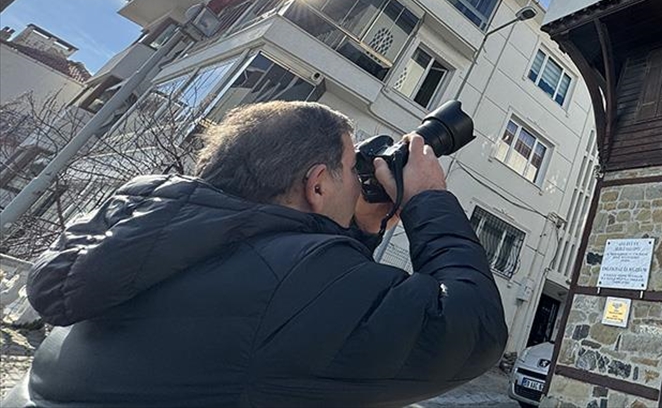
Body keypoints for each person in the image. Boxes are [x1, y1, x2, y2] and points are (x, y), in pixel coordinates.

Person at [2, 101, 507, 407]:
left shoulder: (152, 240)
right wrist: (428, 201)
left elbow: (284, 318)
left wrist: (359, 232)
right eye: (353, 169)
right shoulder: (291, 285)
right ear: (315, 183)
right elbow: (473, 328)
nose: (361, 182)